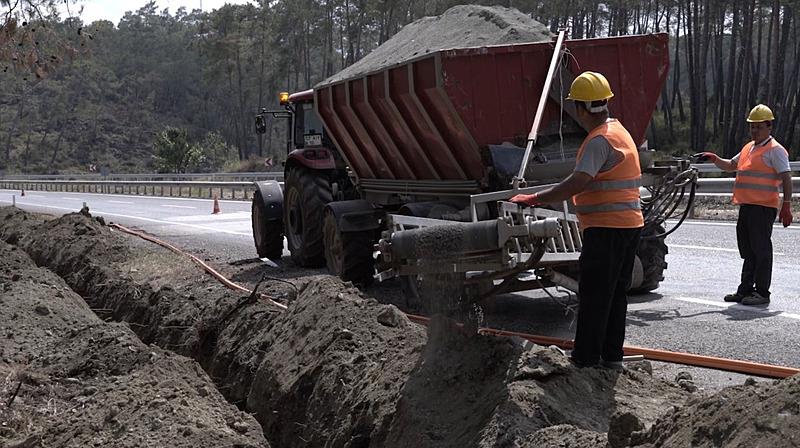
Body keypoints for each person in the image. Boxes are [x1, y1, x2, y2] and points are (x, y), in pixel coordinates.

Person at [510, 71, 644, 369]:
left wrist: (535, 198)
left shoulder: (598, 141)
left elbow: (579, 180)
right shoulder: (619, 131)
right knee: (614, 295)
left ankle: (585, 359)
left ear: (581, 109)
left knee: (595, 295)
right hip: (629, 226)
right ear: (606, 102)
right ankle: (611, 357)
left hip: (606, 229)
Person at [694, 104, 793, 306]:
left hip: (763, 207)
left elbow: (786, 177)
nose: (754, 131)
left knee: (761, 249)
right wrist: (714, 158)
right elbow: (731, 165)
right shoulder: (749, 148)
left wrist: (787, 205)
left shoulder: (775, 150)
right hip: (747, 205)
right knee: (748, 250)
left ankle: (762, 292)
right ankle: (745, 289)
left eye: (758, 127)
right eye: (752, 127)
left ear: (769, 127)